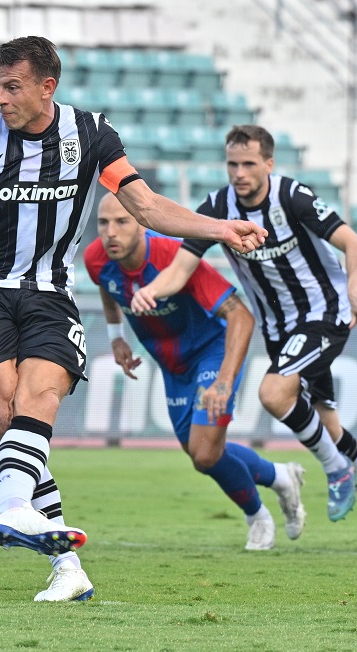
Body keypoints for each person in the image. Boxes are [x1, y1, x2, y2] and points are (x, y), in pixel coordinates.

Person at [0, 36, 266, 601]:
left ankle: (51, 551)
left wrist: (221, 229)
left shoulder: (91, 135)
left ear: (46, 87)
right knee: (5, 406)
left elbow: (147, 206)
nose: (1, 98)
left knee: (39, 398)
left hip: (50, 292)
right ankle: (36, 533)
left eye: (12, 87)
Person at [131, 125, 357, 550]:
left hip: (324, 315)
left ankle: (336, 470)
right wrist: (152, 290)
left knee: (273, 393)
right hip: (280, 331)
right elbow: (181, 268)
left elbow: (353, 243)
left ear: (269, 163)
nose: (239, 173)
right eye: (232, 164)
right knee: (327, 423)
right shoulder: (218, 209)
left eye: (248, 164)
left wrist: (356, 289)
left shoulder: (292, 197)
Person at [85, 193, 306, 550]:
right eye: (103, 223)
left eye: (122, 222)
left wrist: (224, 381)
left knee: (204, 454)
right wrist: (116, 337)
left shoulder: (174, 258)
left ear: (141, 224)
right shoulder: (96, 257)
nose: (111, 232)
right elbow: (107, 288)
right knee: (201, 452)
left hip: (211, 355)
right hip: (172, 365)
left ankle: (258, 517)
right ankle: (280, 476)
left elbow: (241, 317)